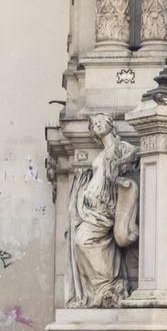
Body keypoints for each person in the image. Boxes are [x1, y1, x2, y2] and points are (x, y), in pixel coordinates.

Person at [66, 114, 139, 307]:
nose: (96, 123)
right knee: (78, 243)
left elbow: (136, 156)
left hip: (104, 211)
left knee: (83, 241)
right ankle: (98, 290)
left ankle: (107, 285)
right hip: (90, 210)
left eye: (100, 121)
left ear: (110, 124)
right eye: (93, 123)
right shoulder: (99, 155)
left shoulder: (121, 147)